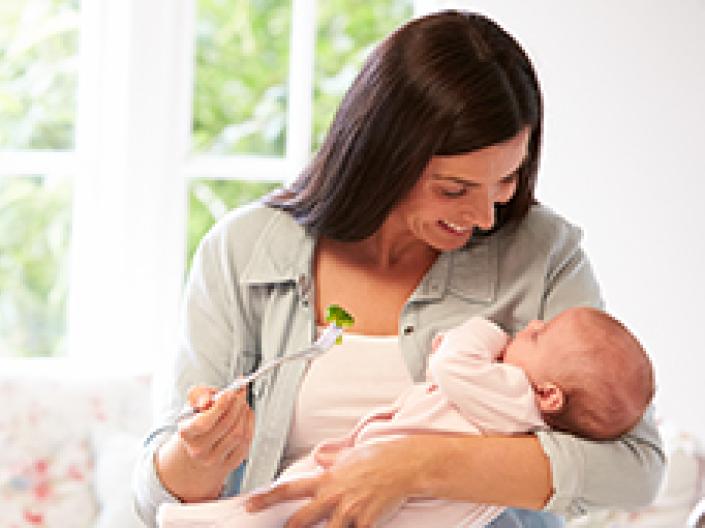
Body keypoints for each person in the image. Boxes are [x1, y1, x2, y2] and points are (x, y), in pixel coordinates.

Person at [133, 10, 665, 528]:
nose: (484, 216)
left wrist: (408, 467)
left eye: (505, 180)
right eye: (454, 190)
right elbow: (155, 497)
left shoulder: (542, 253)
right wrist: (199, 456)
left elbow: (636, 468)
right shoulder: (246, 250)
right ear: (381, 157)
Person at [156, 306, 656, 528]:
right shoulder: (533, 421)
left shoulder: (511, 391)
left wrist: (485, 330)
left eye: (540, 337)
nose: (533, 324)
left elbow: (452, 362)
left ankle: (206, 522)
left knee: (287, 501)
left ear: (549, 395)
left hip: (370, 479)